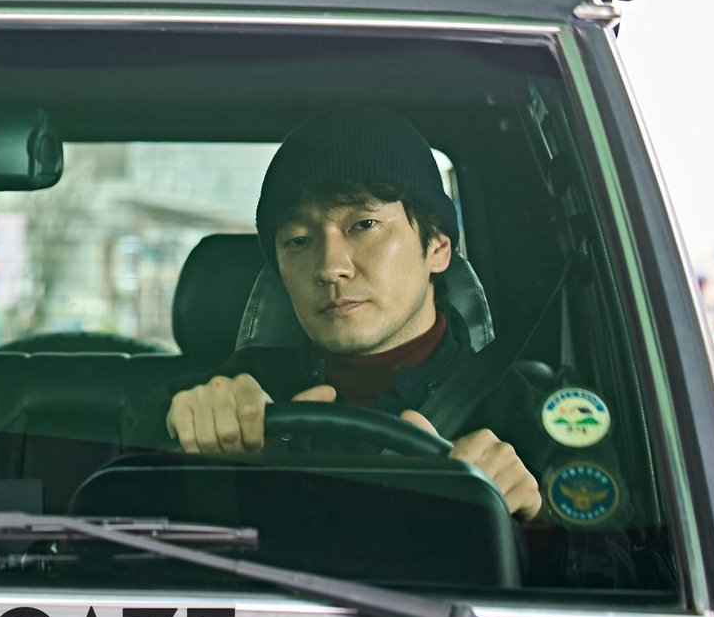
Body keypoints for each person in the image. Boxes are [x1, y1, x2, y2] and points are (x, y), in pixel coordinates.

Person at [151, 108, 544, 518]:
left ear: (438, 248)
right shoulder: (232, 393)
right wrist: (186, 436)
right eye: (298, 240)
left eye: (364, 224)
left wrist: (537, 518)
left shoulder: (519, 413)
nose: (329, 267)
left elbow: (588, 542)